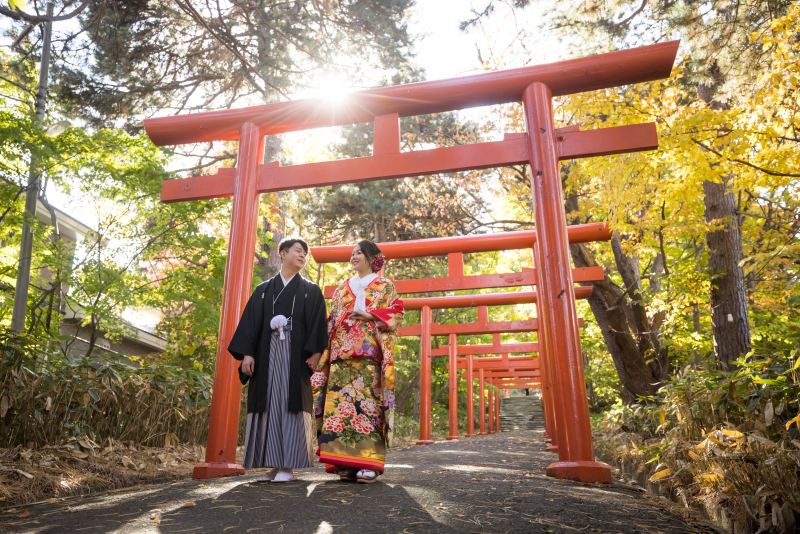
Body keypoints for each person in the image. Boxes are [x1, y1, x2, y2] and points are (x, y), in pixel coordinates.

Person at [228, 237, 328, 482]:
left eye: (305, 253)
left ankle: (289, 466)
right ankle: (271, 464)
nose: (303, 255)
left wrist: (315, 354)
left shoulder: (310, 290)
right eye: (297, 251)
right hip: (266, 353)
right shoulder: (263, 290)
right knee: (268, 405)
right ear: (282, 254)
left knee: (289, 403)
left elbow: (318, 323)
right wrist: (248, 354)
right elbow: (251, 324)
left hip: (295, 355)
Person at [312, 240, 404, 483]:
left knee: (368, 409)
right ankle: (346, 463)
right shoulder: (342, 287)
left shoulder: (385, 286)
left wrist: (370, 315)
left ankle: (370, 464)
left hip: (368, 357)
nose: (353, 257)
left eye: (359, 253)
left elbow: (396, 313)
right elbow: (331, 321)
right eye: (352, 253)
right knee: (340, 410)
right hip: (341, 356)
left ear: (372, 257)